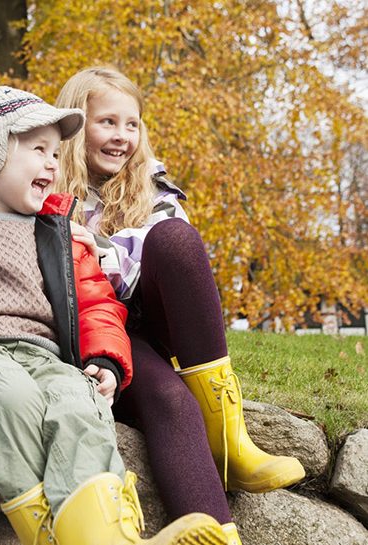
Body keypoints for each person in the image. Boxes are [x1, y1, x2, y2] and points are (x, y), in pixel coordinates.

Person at [0, 85, 227, 545]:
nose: (53, 164)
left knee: (79, 406)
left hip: (50, 360)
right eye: (38, 150)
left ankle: (107, 532)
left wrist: (107, 360)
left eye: (56, 153)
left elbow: (98, 303)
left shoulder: (62, 238)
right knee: (7, 394)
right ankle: (48, 531)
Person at [55, 67, 307, 545]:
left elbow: (168, 255)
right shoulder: (46, 188)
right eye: (107, 122)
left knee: (174, 239)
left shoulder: (152, 186)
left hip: (158, 320)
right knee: (169, 400)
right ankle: (221, 535)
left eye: (132, 124)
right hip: (100, 333)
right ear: (75, 124)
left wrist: (96, 250)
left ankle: (230, 439)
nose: (122, 137)